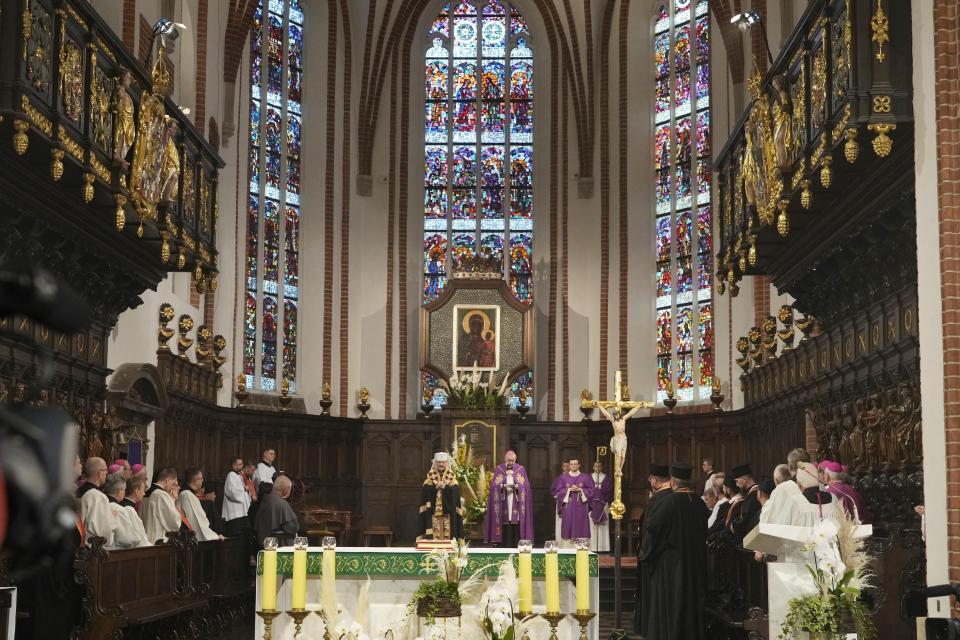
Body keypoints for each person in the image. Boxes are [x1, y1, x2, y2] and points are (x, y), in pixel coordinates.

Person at [636, 463, 707, 640]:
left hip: (671, 565)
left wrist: (647, 554)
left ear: (673, 482)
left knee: (672, 606)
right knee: (691, 603)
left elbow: (653, 528)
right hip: (695, 563)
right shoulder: (699, 502)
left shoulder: (670, 502)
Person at [484, 450, 534, 547]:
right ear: (505, 459)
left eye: (512, 460)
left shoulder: (520, 469)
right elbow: (494, 486)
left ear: (515, 460)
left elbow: (526, 487)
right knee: (504, 519)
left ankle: (517, 543)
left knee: (515, 521)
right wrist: (502, 487)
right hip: (504, 501)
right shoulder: (499, 469)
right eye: (509, 460)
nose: (510, 463)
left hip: (516, 501)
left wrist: (517, 487)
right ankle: (502, 544)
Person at [418, 452, 464, 541]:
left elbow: (455, 493)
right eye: (439, 462)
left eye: (443, 462)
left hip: (448, 513)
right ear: (435, 463)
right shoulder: (430, 478)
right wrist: (434, 487)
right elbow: (425, 492)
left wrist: (445, 487)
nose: (441, 464)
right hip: (433, 512)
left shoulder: (452, 478)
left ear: (447, 463)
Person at [554, 458, 596, 547]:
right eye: (572, 464)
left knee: (581, 524)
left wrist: (580, 489)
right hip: (568, 506)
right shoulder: (563, 477)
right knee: (567, 524)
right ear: (569, 466)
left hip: (581, 506)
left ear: (579, 465)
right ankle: (567, 548)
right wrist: (568, 489)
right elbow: (558, 491)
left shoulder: (585, 477)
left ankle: (582, 547)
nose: (573, 466)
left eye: (575, 464)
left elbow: (592, 491)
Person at [103, 472, 151, 548]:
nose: (125, 493)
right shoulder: (120, 509)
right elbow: (128, 539)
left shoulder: (102, 506)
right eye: (124, 490)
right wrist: (136, 538)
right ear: (118, 492)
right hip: (115, 552)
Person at [177, 467, 223, 541]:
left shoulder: (188, 493)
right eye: (201, 478)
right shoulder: (187, 495)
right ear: (195, 481)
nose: (203, 480)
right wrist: (215, 537)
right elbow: (197, 521)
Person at [77, 457, 115, 542]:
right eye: (106, 470)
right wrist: (111, 517)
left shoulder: (78, 491)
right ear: (100, 473)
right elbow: (102, 532)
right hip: (92, 549)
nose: (107, 473)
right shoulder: (97, 496)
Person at [255, 475, 300, 547]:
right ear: (285, 489)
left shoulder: (266, 499)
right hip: (281, 546)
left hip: (266, 545)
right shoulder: (282, 503)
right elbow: (292, 527)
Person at [141, 467, 181, 543]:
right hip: (159, 540)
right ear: (167, 481)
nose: (172, 487)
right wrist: (173, 499)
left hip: (147, 538)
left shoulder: (147, 494)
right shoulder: (161, 495)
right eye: (173, 483)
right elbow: (174, 522)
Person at [223, 456, 253, 538]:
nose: (241, 466)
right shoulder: (231, 475)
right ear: (233, 465)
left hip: (243, 512)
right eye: (238, 464)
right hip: (235, 513)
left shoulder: (240, 476)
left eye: (241, 464)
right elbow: (231, 491)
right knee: (236, 536)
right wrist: (244, 488)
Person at [730, 464, 761, 538]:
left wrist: (733, 525)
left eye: (737, 481)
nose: (736, 485)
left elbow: (747, 518)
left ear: (744, 480)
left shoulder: (754, 494)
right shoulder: (751, 493)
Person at [589, 460, 612, 552]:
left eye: (599, 466)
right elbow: (587, 489)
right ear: (593, 467)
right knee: (591, 526)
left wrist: (599, 490)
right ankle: (592, 547)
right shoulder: (589, 477)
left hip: (603, 504)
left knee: (603, 526)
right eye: (595, 466)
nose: (597, 468)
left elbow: (609, 491)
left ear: (601, 467)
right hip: (591, 504)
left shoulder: (606, 478)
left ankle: (603, 547)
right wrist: (595, 490)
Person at [550, 460, 569, 541]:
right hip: (561, 502)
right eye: (565, 466)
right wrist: (557, 496)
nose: (566, 468)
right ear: (562, 467)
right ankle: (559, 541)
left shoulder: (575, 478)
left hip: (571, 503)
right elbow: (553, 489)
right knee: (560, 523)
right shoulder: (559, 478)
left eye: (568, 466)